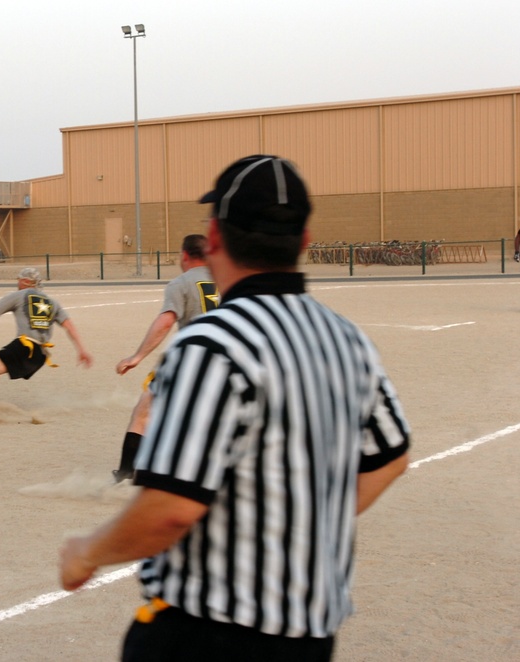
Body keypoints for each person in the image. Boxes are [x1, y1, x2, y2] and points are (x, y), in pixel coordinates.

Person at [59, 155, 411, 661]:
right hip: (310, 636)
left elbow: (171, 509)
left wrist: (87, 552)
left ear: (214, 237)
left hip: (206, 633)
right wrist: (295, 523)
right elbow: (391, 457)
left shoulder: (212, 343)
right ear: (305, 240)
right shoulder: (346, 338)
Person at [112, 234, 218, 481]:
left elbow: (166, 321)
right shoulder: (226, 280)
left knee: (144, 411)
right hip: (225, 360)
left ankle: (127, 474)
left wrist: (137, 356)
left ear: (185, 255)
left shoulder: (181, 283)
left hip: (192, 358)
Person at [0, 267, 92, 411]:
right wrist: (82, 350)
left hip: (24, 347)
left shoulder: (19, 295)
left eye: (18, 280)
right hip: (40, 355)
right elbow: (70, 327)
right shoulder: (52, 302)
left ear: (25, 281)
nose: (17, 283)